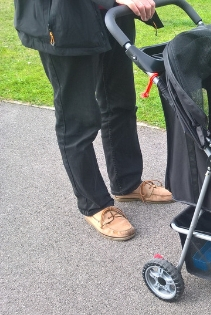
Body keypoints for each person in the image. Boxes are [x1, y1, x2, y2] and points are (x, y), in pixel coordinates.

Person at [13, 0, 173, 241]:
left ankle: (126, 183)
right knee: (78, 120)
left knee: (120, 104)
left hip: (111, 16)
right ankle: (94, 204)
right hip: (65, 21)